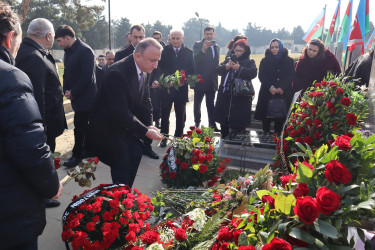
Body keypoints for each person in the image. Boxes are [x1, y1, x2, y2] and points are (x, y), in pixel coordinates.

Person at [0, 2, 62, 249]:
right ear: (10, 37)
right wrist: (51, 185)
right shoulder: (10, 77)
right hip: (10, 211)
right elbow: (29, 147)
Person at [88, 38, 164, 187]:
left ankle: (126, 193)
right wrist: (146, 132)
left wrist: (149, 125)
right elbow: (119, 112)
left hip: (125, 125)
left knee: (136, 153)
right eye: (152, 60)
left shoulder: (144, 70)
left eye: (158, 61)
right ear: (138, 56)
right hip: (108, 128)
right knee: (122, 162)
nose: (156, 66)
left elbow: (145, 101)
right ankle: (120, 200)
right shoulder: (117, 73)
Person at [15, 18, 67, 208]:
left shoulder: (33, 52)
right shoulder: (32, 57)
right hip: (41, 127)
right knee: (41, 161)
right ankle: (42, 194)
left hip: (43, 124)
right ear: (48, 36)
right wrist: (41, 130)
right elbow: (36, 98)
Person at [55, 25, 97, 167]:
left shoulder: (85, 51)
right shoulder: (68, 52)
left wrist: (73, 92)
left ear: (68, 38)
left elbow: (87, 77)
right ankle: (87, 150)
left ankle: (77, 155)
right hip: (76, 96)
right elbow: (66, 73)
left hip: (87, 99)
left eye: (60, 41)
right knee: (82, 127)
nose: (59, 44)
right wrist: (66, 89)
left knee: (80, 128)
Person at [156, 29, 195, 147]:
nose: (175, 40)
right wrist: (166, 80)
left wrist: (185, 80)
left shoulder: (189, 52)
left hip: (181, 90)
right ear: (169, 39)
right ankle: (164, 137)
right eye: (173, 38)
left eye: (178, 38)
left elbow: (192, 70)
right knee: (165, 115)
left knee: (180, 116)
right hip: (167, 89)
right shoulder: (164, 51)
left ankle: (178, 138)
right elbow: (159, 68)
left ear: (183, 39)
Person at [214, 39, 257, 138]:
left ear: (245, 51)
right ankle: (223, 141)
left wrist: (239, 69)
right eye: (236, 50)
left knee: (239, 129)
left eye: (240, 51)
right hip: (225, 96)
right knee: (224, 124)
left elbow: (253, 73)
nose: (237, 53)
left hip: (241, 98)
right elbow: (218, 70)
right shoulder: (228, 59)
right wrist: (226, 67)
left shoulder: (249, 61)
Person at [254, 39, 295, 135]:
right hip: (267, 92)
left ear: (280, 47)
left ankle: (277, 142)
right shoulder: (264, 60)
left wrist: (282, 88)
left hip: (283, 94)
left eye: (276, 47)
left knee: (280, 121)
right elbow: (262, 75)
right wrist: (270, 87)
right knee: (266, 120)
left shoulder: (289, 61)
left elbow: (291, 76)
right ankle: (265, 139)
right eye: (272, 47)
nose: (274, 49)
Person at [193, 26, 220, 131]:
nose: (209, 36)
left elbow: (215, 63)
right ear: (204, 35)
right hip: (200, 80)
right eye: (207, 34)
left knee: (210, 105)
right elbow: (196, 60)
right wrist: (203, 49)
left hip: (211, 81)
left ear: (214, 34)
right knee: (197, 105)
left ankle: (212, 125)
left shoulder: (216, 47)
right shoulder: (197, 45)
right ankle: (197, 124)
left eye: (210, 34)